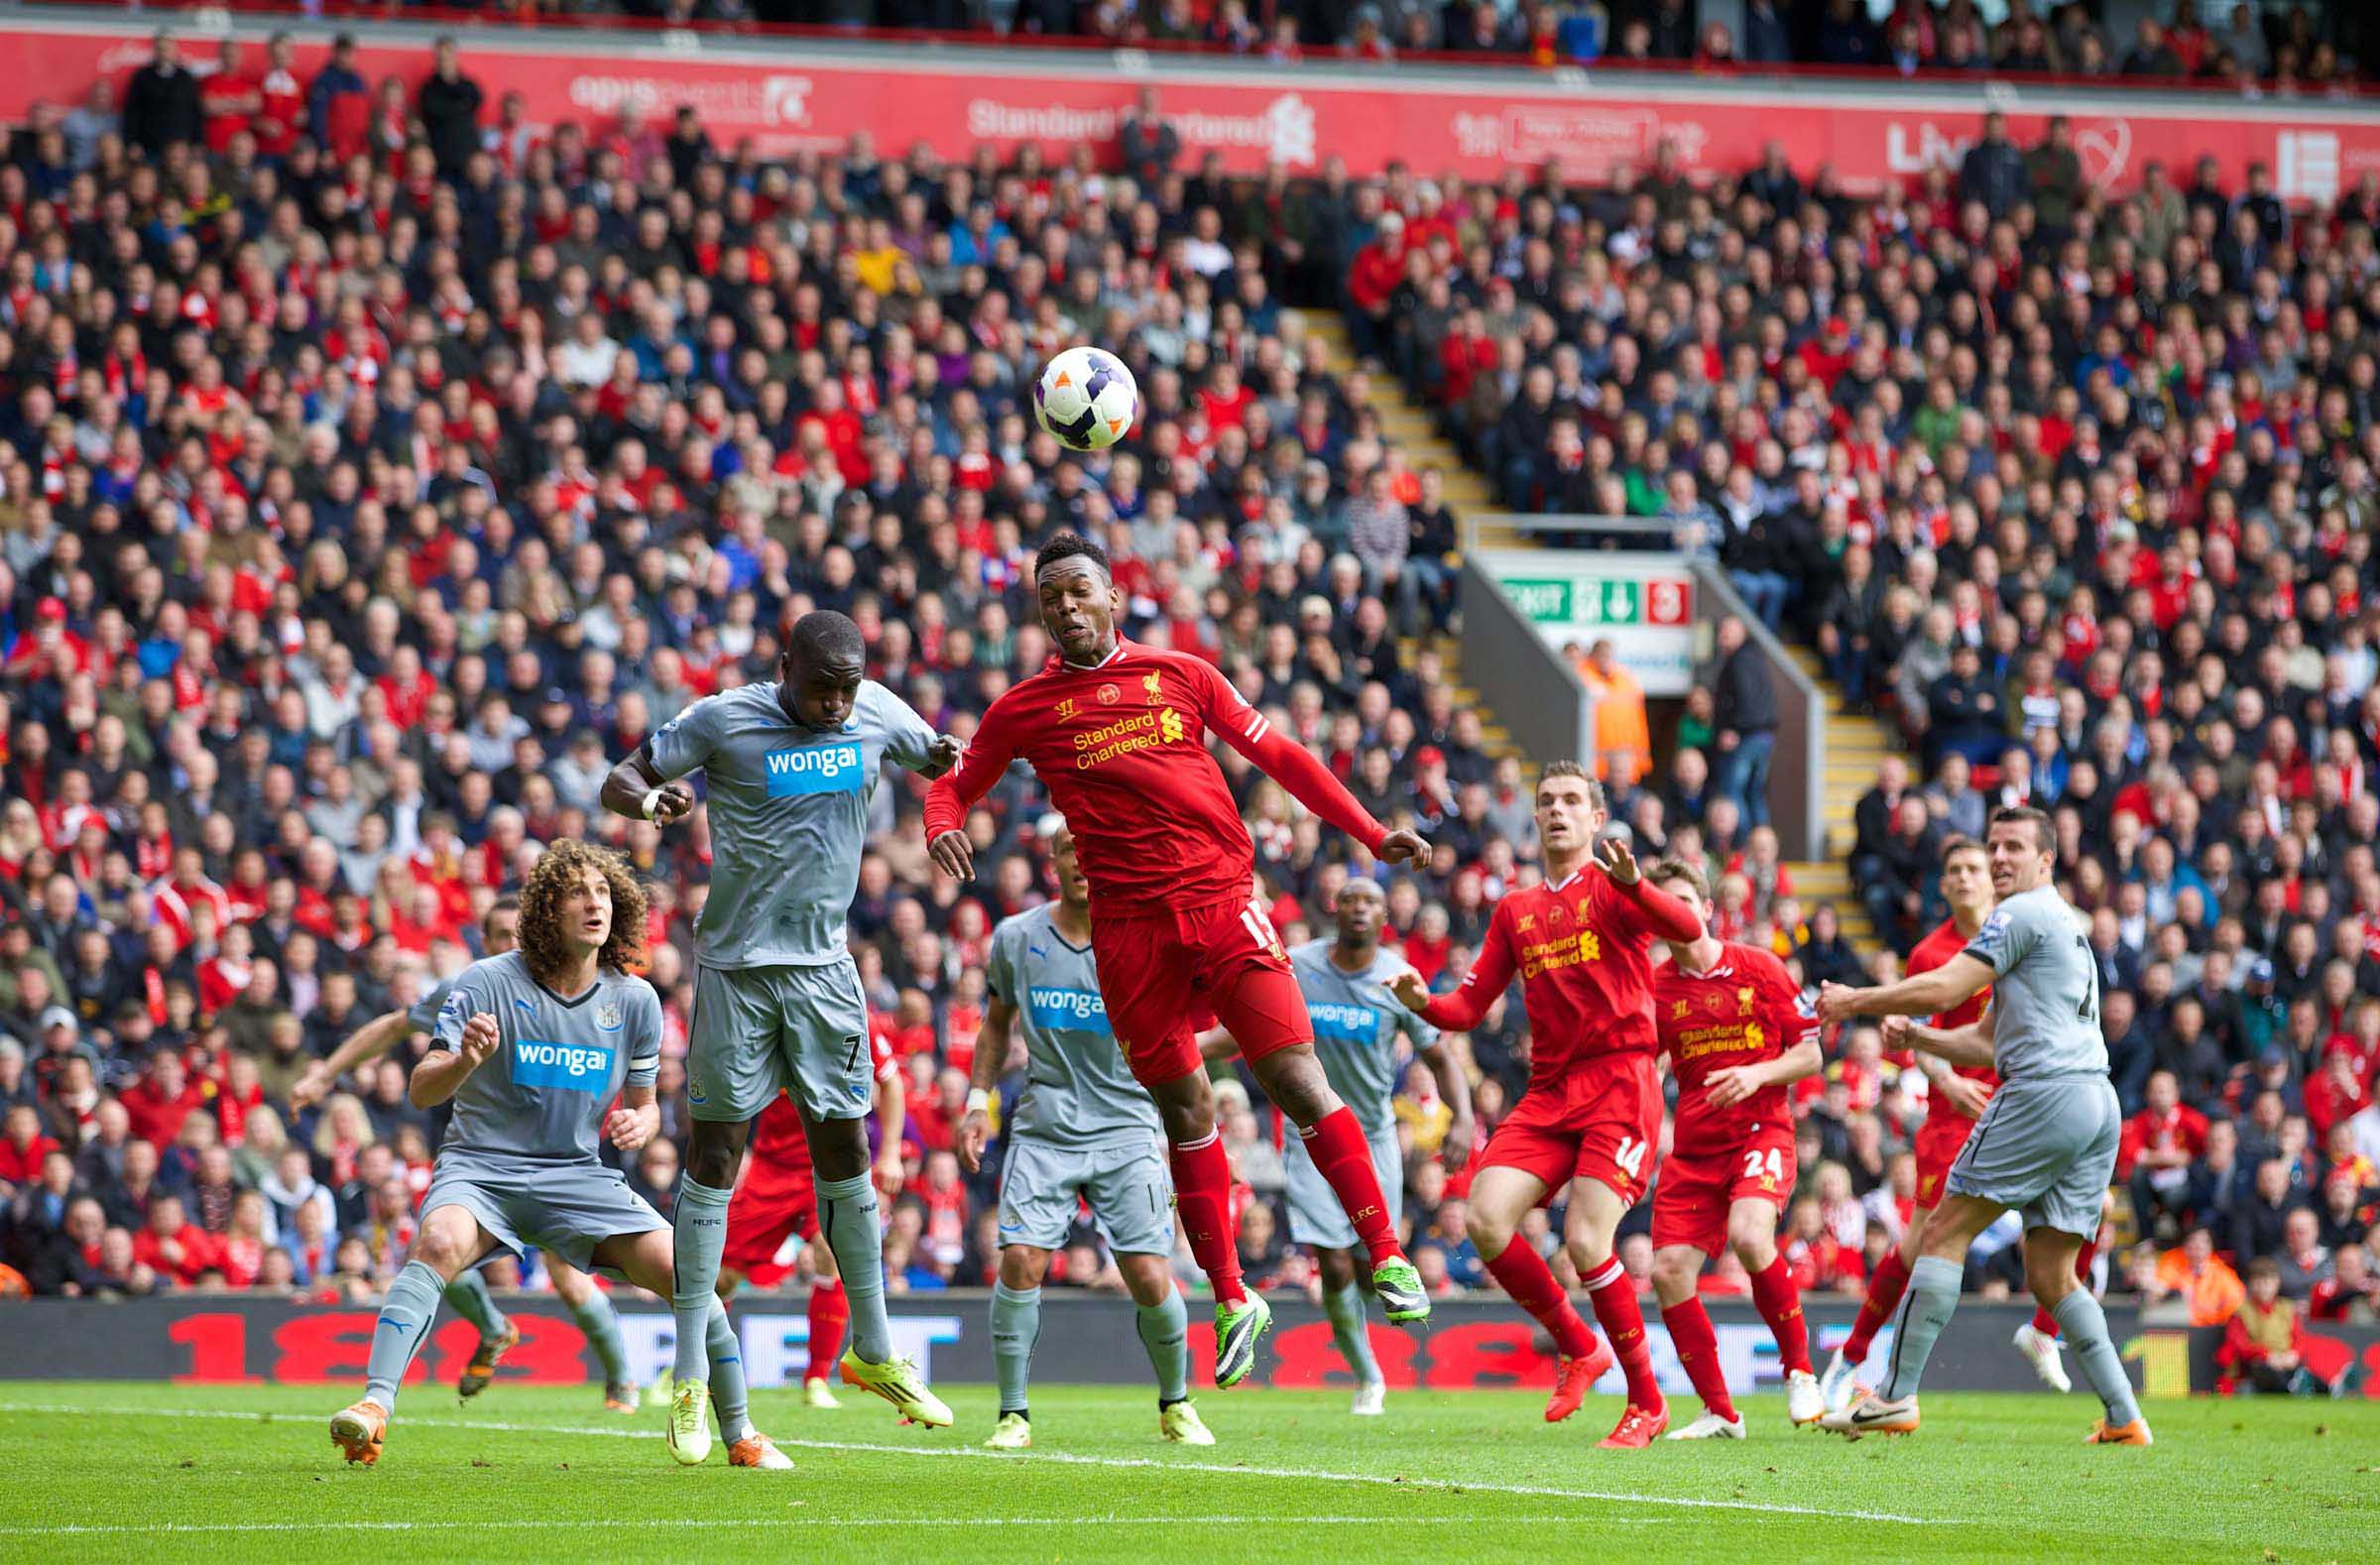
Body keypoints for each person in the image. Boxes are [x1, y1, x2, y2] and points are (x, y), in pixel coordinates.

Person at [923, 533, 1432, 1390]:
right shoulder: (1025, 708)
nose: (1068, 608)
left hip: (1224, 904)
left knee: (1297, 1079)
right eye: (1052, 600)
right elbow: (954, 783)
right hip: (1128, 937)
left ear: (1114, 596)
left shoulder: (1182, 675)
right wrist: (943, 823)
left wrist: (1371, 831)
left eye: (1081, 590)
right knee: (1184, 1109)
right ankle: (1235, 1299)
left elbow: (1281, 757)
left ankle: (1386, 1252)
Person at [603, 608, 960, 1449]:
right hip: (734, 972)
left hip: (827, 972)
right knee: (716, 1155)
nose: (838, 705)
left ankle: (871, 1349)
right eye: (821, 688)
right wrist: (652, 800)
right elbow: (622, 776)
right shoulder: (723, 717)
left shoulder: (877, 709)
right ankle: (690, 1373)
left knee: (847, 1149)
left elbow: (941, 760)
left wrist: (946, 785)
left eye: (848, 688)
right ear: (785, 666)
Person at [328, 841, 789, 1470]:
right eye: (577, 891)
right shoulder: (486, 981)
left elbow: (648, 1102)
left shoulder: (635, 1001)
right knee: (436, 1243)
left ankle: (740, 1434)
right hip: (482, 1169)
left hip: (575, 1177)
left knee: (691, 1277)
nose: (593, 902)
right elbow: (419, 1088)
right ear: (547, 908)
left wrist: (642, 1119)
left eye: (602, 892)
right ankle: (374, 1407)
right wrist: (464, 1059)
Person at [1389, 762, 1704, 1446]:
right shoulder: (1516, 911)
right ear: (1534, 818)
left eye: (1571, 801)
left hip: (1620, 1083)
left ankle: (1647, 1403)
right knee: (1483, 1217)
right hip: (1551, 1091)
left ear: (1595, 818)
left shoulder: (1617, 889)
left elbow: (1689, 928)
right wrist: (1425, 1004)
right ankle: (1579, 1345)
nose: (1557, 810)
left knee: (1587, 1240)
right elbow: (1469, 1006)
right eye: (1546, 801)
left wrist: (1637, 885)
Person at [1816, 808, 2150, 1446]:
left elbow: (1945, 988)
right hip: (2094, 1102)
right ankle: (2123, 1414)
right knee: (2053, 1274)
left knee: (1942, 1231)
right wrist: (1917, 1037)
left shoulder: (2019, 915)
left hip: (2044, 1095)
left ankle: (1892, 1395)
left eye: (2013, 848)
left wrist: (1855, 1001)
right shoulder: (2065, 927)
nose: (1999, 859)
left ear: (2047, 861)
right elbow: (1986, 1039)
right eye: (1993, 846)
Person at [292, 898, 640, 1413]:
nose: (508, 945)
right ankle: (492, 1330)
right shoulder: (470, 988)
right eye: (497, 935)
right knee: (436, 1251)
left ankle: (621, 1378)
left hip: (556, 1159)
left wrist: (638, 1112)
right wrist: (325, 1072)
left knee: (567, 1276)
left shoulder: (573, 990)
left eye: (515, 934)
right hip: (479, 1153)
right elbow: (393, 1026)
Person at [957, 819, 1214, 1449]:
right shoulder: (1017, 938)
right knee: (1021, 1261)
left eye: (1092, 850)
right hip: (1045, 1127)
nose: (1081, 862)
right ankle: (1013, 1415)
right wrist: (975, 1102)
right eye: (1070, 851)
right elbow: (995, 1026)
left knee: (1150, 1274)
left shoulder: (1146, 937)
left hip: (1128, 1125)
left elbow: (1198, 1028)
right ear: (1053, 862)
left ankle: (1176, 1404)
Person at [1206, 876, 1473, 1417]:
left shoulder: (1397, 976)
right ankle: (1368, 1376)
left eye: (1370, 900)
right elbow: (1253, 1027)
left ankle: (1367, 1329)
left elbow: (1440, 1055)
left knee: (1373, 1267)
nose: (1358, 908)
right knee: (1333, 1266)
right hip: (1309, 1136)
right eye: (1349, 898)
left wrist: (1463, 1117)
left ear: (1384, 916)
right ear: (1334, 907)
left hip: (1373, 1137)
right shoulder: (1298, 964)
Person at [1643, 860, 1825, 1437]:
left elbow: (1811, 1055)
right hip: (1695, 1150)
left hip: (1759, 1132)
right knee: (1669, 1271)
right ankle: (1720, 1410)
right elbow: (1647, 1061)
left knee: (1750, 1236)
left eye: (1679, 900)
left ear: (1704, 908)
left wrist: (1759, 1075)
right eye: (1658, 905)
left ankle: (1799, 1370)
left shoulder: (1759, 967)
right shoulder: (1656, 988)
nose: (1670, 912)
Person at [712, 1022, 905, 1411]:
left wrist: (891, 1152)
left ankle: (817, 1377)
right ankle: (695, 1367)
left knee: (829, 1251)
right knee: (722, 1277)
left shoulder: (857, 1018)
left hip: (830, 1165)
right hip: (773, 1167)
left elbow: (892, 1082)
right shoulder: (776, 1019)